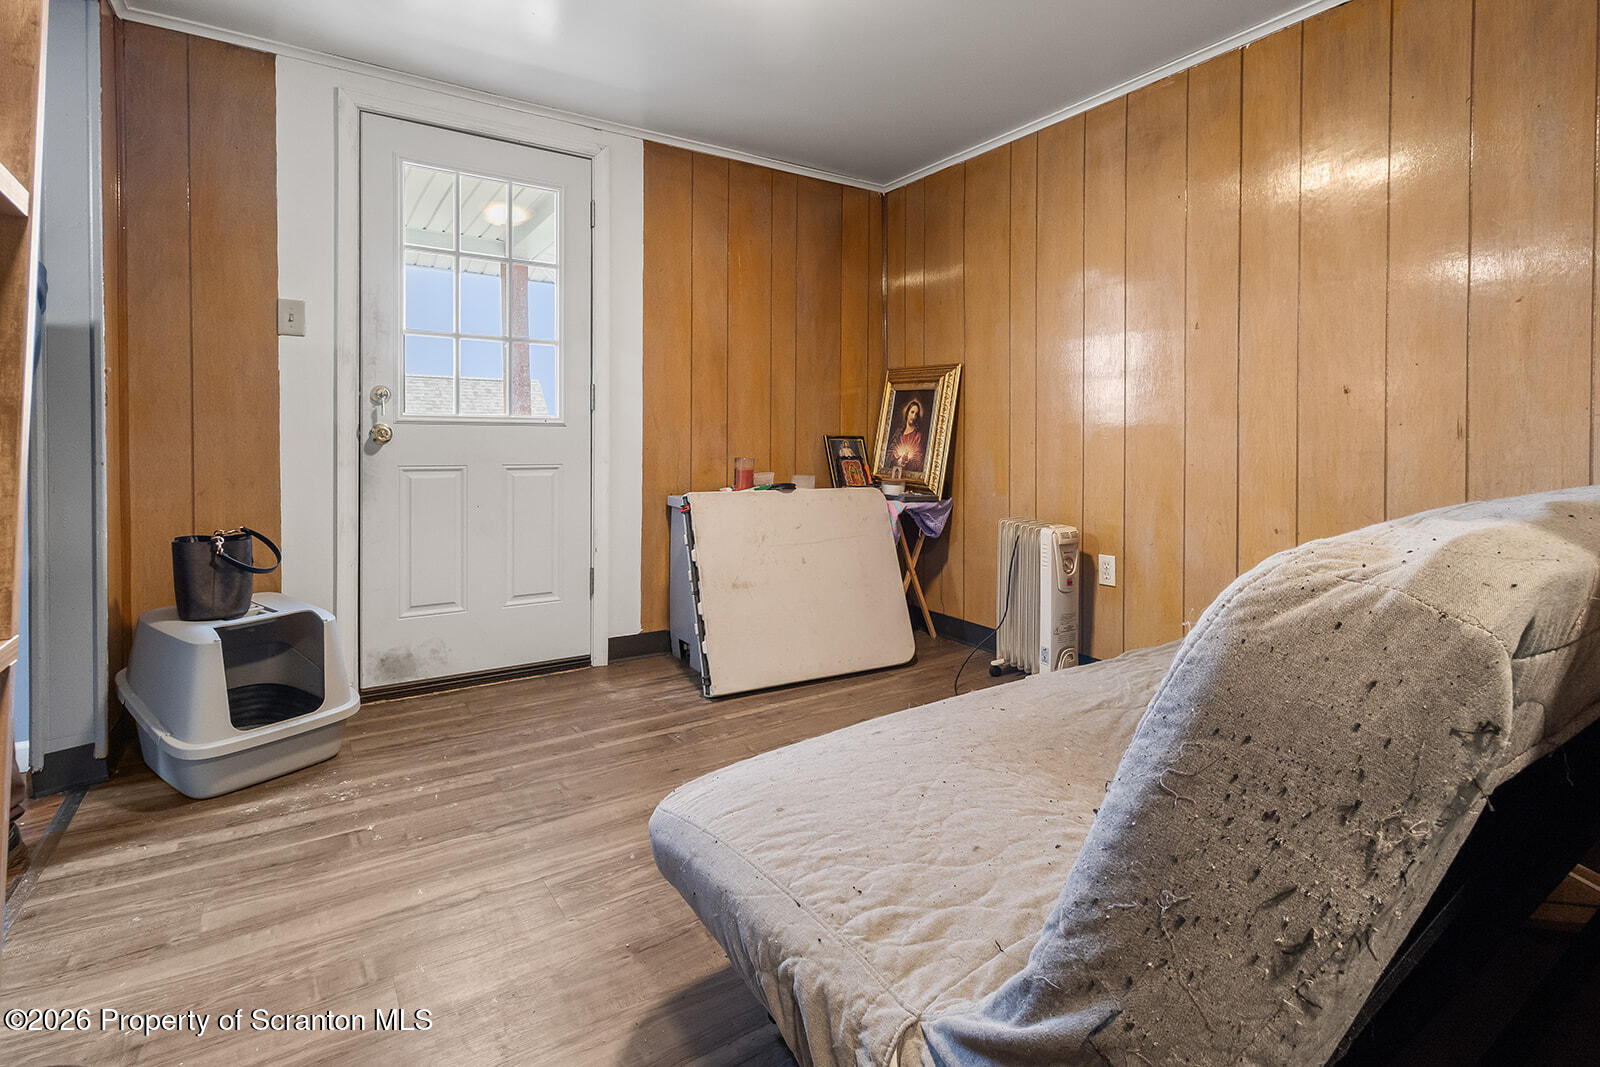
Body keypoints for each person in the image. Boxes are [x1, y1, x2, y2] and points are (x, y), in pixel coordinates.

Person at [890, 398, 926, 473]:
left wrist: (907, 461)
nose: (913, 416)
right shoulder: (899, 432)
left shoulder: (917, 436)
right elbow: (889, 451)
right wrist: (895, 456)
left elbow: (919, 461)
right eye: (912, 412)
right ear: (907, 413)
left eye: (916, 414)